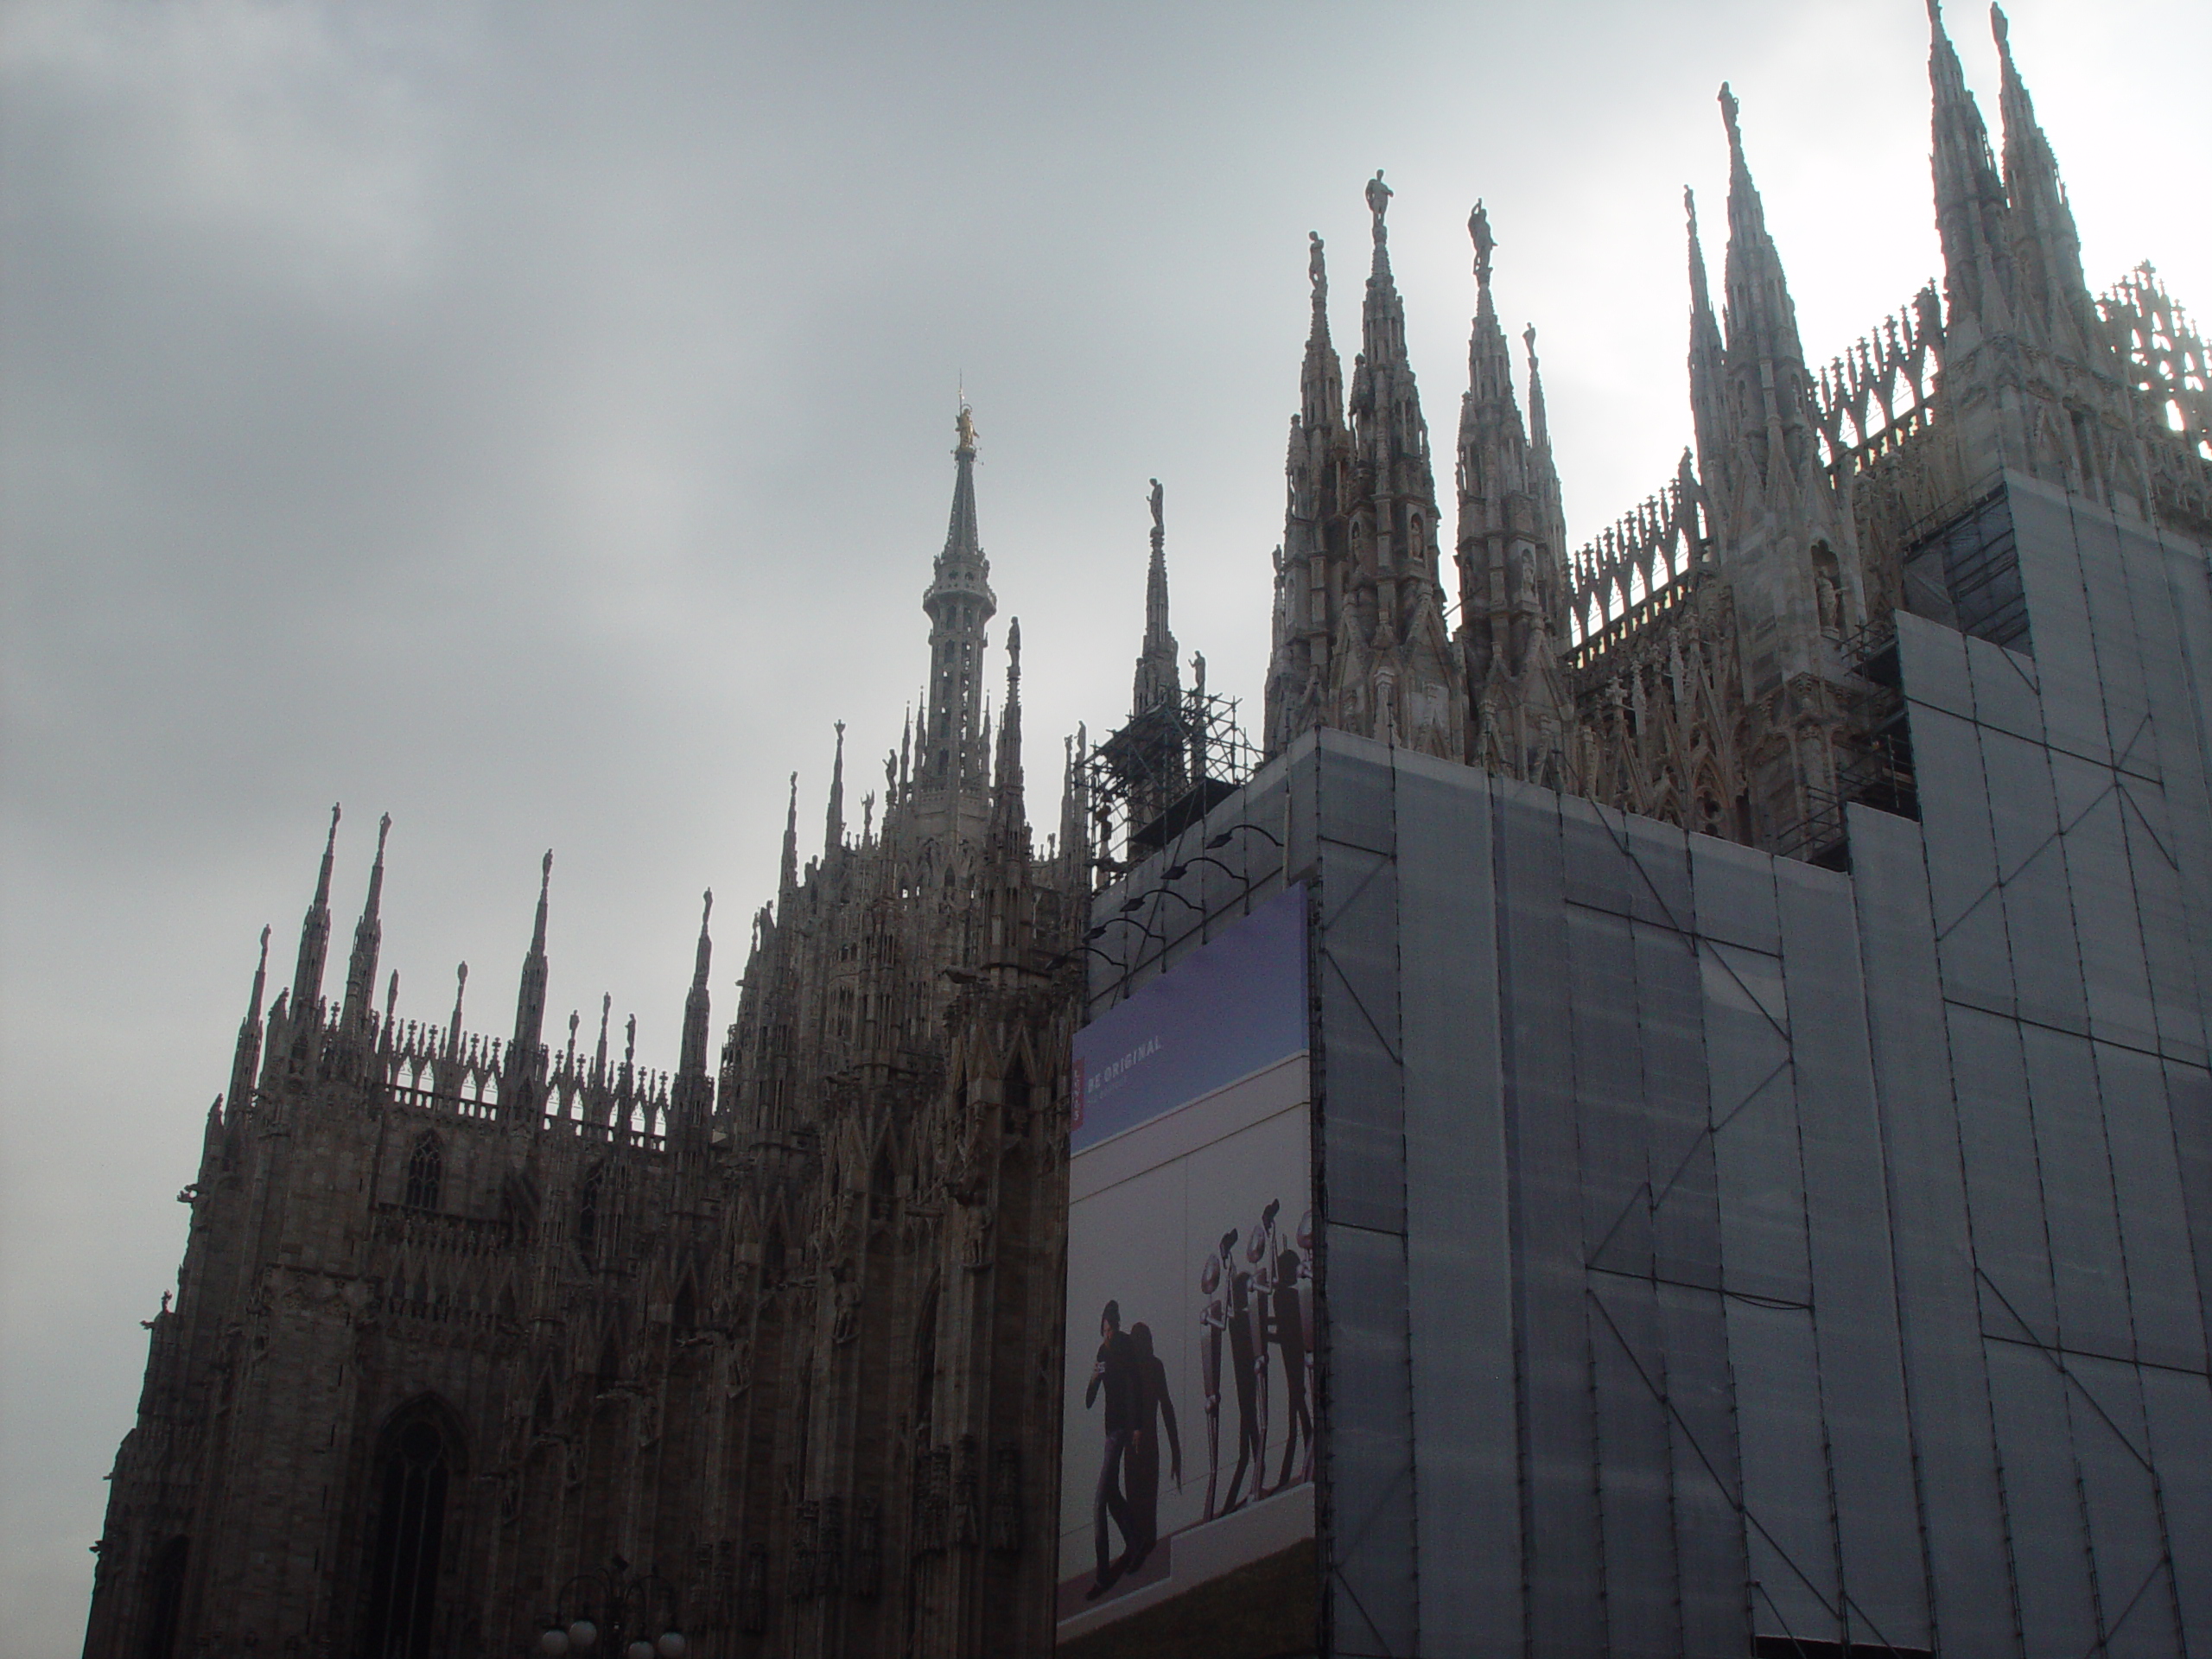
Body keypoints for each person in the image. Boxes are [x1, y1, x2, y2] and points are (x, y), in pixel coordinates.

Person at [1083, 1300, 1139, 1597]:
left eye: (1111, 1327)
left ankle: (1103, 1577)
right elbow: (1089, 1400)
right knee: (1112, 1494)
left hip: (1122, 1429)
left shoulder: (1125, 1346)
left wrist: (1138, 1426)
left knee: (1098, 1503)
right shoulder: (1102, 1352)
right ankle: (1135, 1542)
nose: (1108, 1333)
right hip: (1110, 1431)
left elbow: (1137, 1385)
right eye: (1104, 1329)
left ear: (1117, 1324)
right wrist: (1093, 1379)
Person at [1123, 1321, 1181, 1571]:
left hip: (1147, 1445)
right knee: (1135, 1500)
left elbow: (1166, 1407)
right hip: (1131, 1446)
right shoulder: (1129, 1370)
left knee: (1146, 1500)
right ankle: (1137, 1546)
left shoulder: (1154, 1367)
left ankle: (1144, 1545)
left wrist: (1176, 1452)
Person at [1218, 1231, 1264, 1515]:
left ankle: (1251, 1486)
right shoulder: (1238, 1318)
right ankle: (1247, 1486)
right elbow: (1230, 1291)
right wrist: (1228, 1262)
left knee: (1249, 1440)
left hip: (1249, 1379)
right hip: (1242, 1382)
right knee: (1248, 1440)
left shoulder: (1248, 1320)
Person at [1269, 1243, 1312, 1490]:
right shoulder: (1292, 1295)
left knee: (1295, 1410)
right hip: (1295, 1355)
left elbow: (1285, 1330)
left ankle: (1287, 1474)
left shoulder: (1283, 1295)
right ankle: (1305, 1456)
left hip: (1292, 1357)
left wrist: (1261, 1334)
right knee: (1298, 1409)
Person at [1198, 1254, 1224, 1521]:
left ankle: (1214, 1485)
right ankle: (1211, 1490)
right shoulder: (1207, 1311)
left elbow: (1223, 1324)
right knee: (1210, 1449)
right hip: (1209, 1389)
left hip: (1213, 1388)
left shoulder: (1213, 1310)